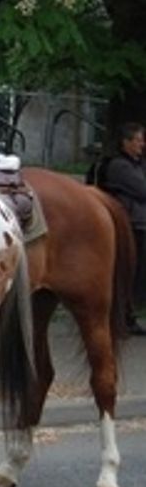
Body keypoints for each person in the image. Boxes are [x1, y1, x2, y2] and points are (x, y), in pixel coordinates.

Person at [100, 122, 146, 335]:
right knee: (126, 273)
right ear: (125, 142)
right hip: (130, 225)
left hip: (139, 224)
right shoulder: (120, 166)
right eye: (137, 140)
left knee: (135, 274)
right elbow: (141, 189)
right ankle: (119, 319)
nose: (142, 144)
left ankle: (128, 317)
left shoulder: (138, 164)